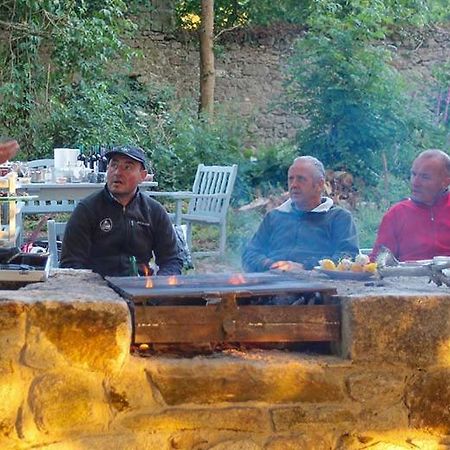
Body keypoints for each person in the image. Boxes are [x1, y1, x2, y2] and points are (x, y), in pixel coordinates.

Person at [60, 145, 183, 276]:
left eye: (127, 167)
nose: (118, 172)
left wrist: (161, 284)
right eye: (114, 165)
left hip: (141, 286)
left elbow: (171, 259)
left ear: (143, 176)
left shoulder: (153, 211)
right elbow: (71, 264)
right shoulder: (87, 210)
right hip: (98, 287)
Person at [242, 156, 359, 272]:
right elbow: (250, 254)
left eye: (301, 179)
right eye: (291, 179)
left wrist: (305, 267)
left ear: (319, 184)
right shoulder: (275, 216)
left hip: (316, 285)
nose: (294, 185)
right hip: (271, 282)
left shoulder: (338, 217)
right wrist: (270, 264)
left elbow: (347, 257)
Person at [371, 149, 450, 262]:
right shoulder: (396, 214)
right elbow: (376, 263)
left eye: (425, 177)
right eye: (413, 174)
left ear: (445, 182)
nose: (415, 183)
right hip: (406, 278)